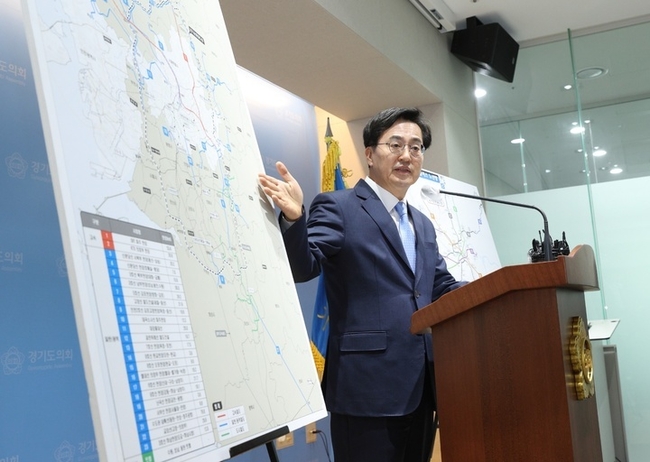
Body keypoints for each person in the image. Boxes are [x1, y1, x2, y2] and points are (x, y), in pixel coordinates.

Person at [258, 107, 466, 462]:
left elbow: (439, 285)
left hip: (421, 386)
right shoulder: (339, 206)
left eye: (416, 147)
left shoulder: (422, 223)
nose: (406, 155)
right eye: (395, 144)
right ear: (369, 154)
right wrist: (294, 218)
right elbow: (303, 267)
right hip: (366, 388)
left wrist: (492, 290)